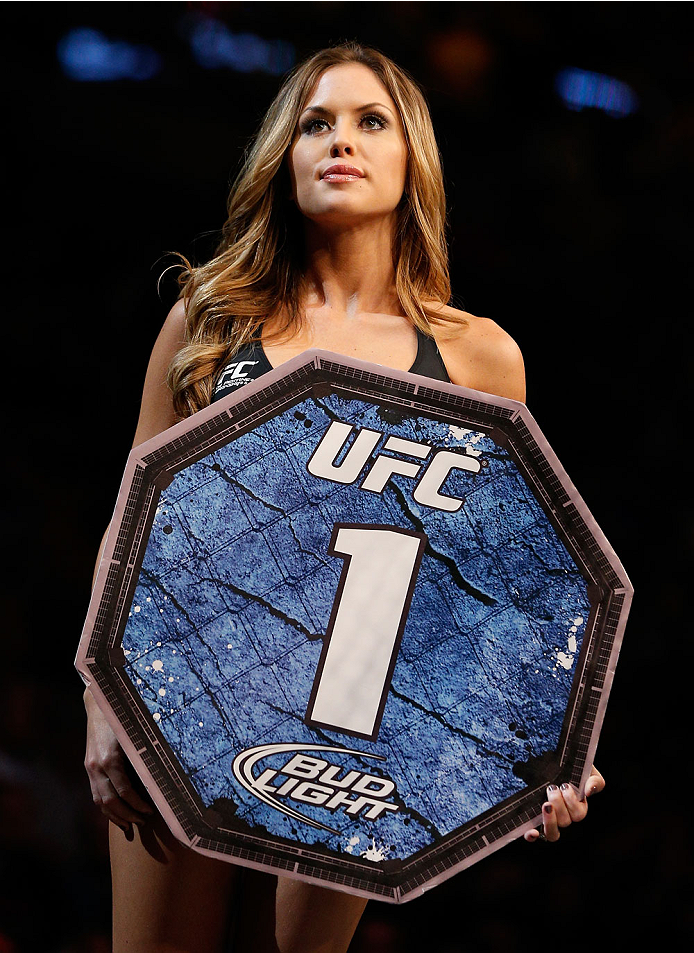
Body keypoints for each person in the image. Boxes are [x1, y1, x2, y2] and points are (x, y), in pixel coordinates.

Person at [83, 41, 605, 953]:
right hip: (185, 691)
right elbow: (135, 522)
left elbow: (497, 587)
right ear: (283, 155)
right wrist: (99, 696)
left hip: (356, 733)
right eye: (316, 123)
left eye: (372, 122)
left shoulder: (480, 357)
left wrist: (548, 748)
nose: (341, 142)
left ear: (414, 163)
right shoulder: (212, 316)